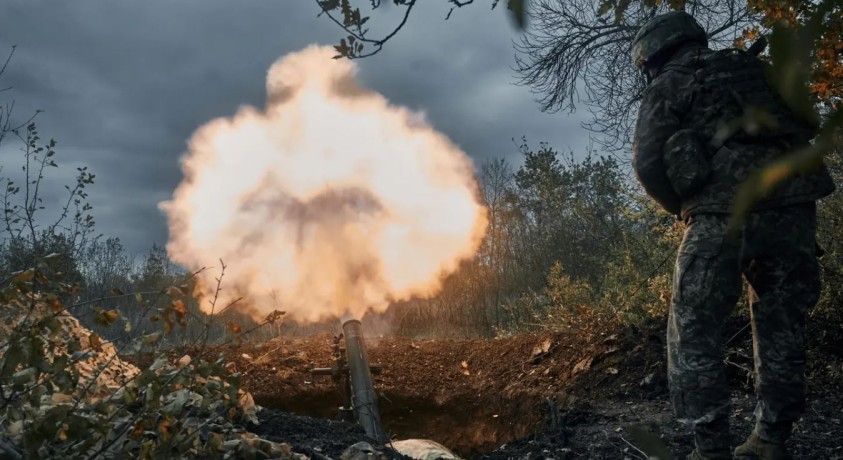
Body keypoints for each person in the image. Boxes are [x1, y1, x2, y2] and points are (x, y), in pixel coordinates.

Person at [630, 11, 836, 460]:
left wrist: (684, 207)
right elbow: (808, 120)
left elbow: (647, 162)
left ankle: (710, 449)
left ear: (652, 57)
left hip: (721, 215)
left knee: (693, 327)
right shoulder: (757, 69)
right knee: (783, 323)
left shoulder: (669, 84)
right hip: (792, 207)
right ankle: (771, 439)